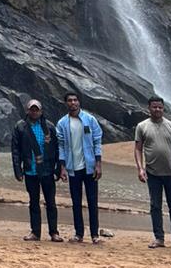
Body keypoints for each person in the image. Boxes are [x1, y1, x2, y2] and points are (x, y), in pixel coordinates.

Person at [134, 96, 171, 250]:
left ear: (164, 109)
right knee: (155, 206)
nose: (157, 110)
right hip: (152, 173)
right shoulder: (142, 126)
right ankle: (159, 238)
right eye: (154, 107)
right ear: (148, 108)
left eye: (160, 107)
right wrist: (140, 168)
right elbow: (138, 149)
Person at [11, 99, 63, 242]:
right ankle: (35, 232)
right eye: (31, 109)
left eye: (37, 109)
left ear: (41, 111)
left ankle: (54, 232)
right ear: (27, 111)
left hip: (47, 170)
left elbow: (57, 148)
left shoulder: (49, 127)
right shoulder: (20, 127)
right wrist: (17, 170)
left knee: (51, 202)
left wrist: (58, 169)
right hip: (30, 170)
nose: (34, 112)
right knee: (33, 202)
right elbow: (15, 149)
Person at [56, 91, 104, 244]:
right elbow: (61, 146)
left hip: (89, 166)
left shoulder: (90, 120)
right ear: (66, 103)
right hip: (73, 167)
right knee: (76, 201)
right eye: (69, 100)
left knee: (92, 201)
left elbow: (97, 142)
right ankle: (79, 233)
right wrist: (62, 167)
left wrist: (98, 164)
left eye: (75, 100)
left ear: (79, 102)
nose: (73, 103)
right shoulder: (62, 123)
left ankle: (95, 234)